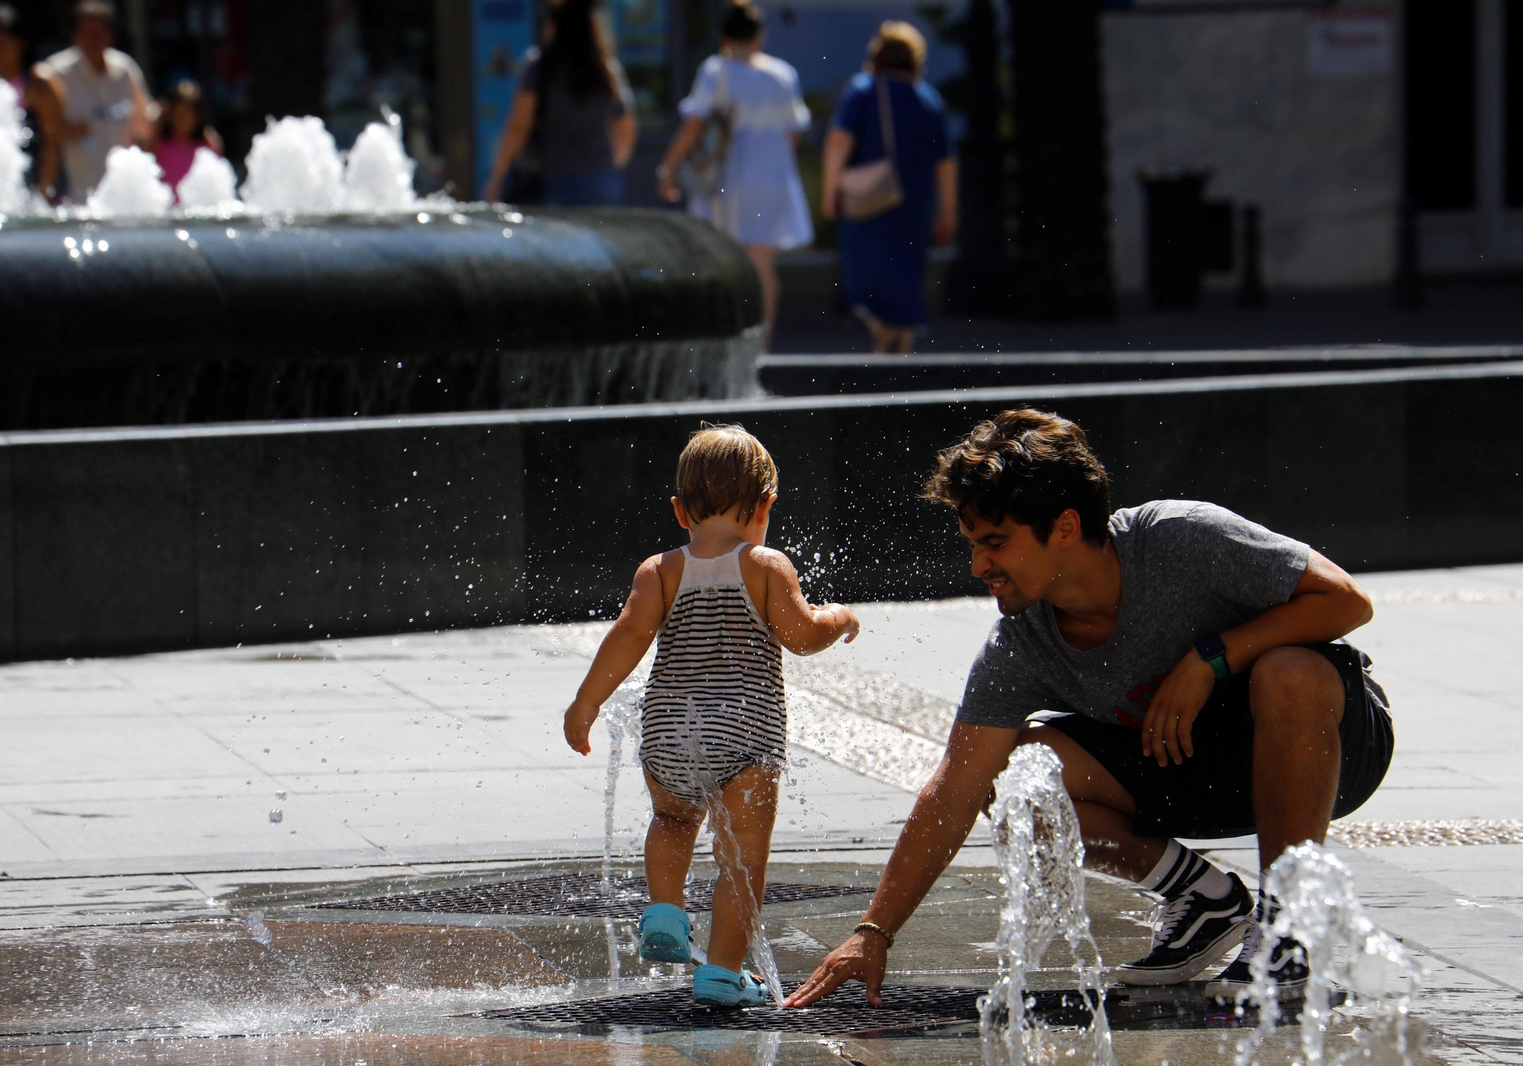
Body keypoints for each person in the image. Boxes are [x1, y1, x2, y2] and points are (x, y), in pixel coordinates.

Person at [786, 409, 1394, 1009]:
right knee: (1015, 775)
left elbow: (1348, 601)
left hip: (1331, 745)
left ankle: (1288, 927)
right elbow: (953, 789)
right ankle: (1203, 899)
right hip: (1198, 770)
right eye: (973, 545)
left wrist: (1210, 659)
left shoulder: (1181, 539)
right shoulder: (1024, 644)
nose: (978, 567)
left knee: (1291, 671)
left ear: (1067, 527)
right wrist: (874, 933)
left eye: (995, 543)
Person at [563, 424, 860, 1007]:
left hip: (670, 731)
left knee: (672, 821)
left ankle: (666, 914)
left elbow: (628, 636)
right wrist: (841, 617)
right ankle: (722, 974)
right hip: (745, 738)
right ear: (767, 504)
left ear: (680, 510)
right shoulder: (766, 565)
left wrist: (587, 701)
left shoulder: (661, 571)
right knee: (742, 862)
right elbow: (801, 635)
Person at [657, 1, 813, 349]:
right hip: (773, 178)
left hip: (729, 181)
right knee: (762, 268)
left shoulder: (717, 71)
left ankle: (728, 341)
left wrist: (669, 168)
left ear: (724, 35)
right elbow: (794, 131)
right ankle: (762, 343)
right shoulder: (782, 74)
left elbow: (693, 126)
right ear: (759, 36)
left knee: (724, 263)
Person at [822, 22, 957, 354]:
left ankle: (882, 340)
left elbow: (839, 141)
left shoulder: (863, 90)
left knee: (864, 280)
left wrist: (829, 193)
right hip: (914, 205)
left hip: (869, 203)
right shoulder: (928, 98)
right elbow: (946, 164)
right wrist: (948, 214)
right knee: (905, 281)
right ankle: (900, 353)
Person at [482, 0, 636, 207]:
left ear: (553, 27)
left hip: (553, 178)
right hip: (600, 178)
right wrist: (607, 164)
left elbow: (519, 126)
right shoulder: (605, 68)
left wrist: (496, 178)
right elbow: (626, 124)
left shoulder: (539, 66)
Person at [37, 0, 156, 200]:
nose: (94, 40)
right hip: (74, 197)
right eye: (87, 33)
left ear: (111, 35)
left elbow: (147, 122)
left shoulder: (125, 69)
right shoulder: (55, 73)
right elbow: (41, 134)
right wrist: (64, 132)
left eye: (100, 32)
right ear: (75, 35)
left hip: (121, 196)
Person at [0, 4, 65, 203]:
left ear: (20, 43)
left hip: (42, 195)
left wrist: (42, 196)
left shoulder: (39, 82)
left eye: (0, 44)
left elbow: (53, 147)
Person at [152, 79, 222, 200]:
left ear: (198, 116)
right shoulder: (160, 143)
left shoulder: (206, 145)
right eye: (178, 114)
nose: (183, 119)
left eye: (188, 115)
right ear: (170, 115)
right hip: (167, 212)